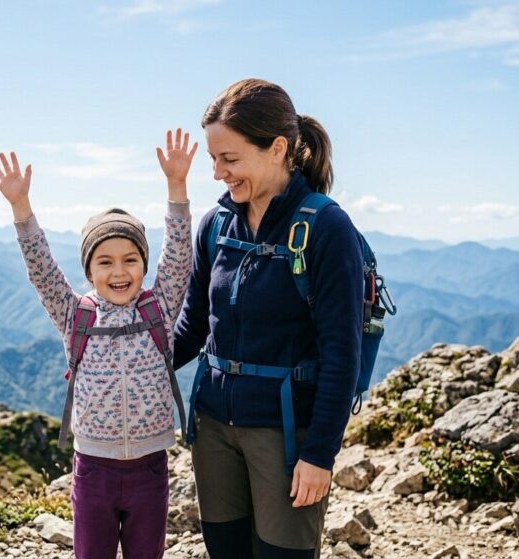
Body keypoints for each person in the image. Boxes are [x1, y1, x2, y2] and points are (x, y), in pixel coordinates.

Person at [173, 79, 364, 558]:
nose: (217, 173)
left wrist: (319, 454)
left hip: (286, 436)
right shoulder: (217, 225)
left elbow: (343, 354)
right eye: (213, 159)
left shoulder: (326, 228)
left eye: (229, 159)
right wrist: (120, 366)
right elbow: (193, 327)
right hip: (213, 429)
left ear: (277, 149)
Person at [0, 129, 197, 559]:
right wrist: (21, 208)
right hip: (93, 469)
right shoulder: (74, 315)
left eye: (130, 260)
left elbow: (178, 256)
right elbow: (42, 269)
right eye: (105, 262)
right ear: (89, 270)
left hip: (151, 466)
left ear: (144, 264)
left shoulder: (159, 308)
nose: (119, 272)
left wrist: (177, 187)